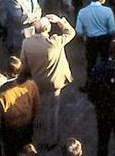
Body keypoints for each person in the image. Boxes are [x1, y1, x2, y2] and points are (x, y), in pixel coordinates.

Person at [20, 15, 76, 150]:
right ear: (48, 29)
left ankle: (31, 133)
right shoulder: (54, 42)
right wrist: (59, 21)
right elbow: (71, 32)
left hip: (37, 80)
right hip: (54, 82)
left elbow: (24, 64)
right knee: (53, 110)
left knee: (35, 107)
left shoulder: (27, 43)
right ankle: (52, 139)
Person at [0, 57, 39, 156]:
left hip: (10, 130)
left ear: (5, 72)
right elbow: (36, 105)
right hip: (27, 126)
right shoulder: (31, 85)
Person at [77, 0, 115, 85]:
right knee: (105, 61)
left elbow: (79, 30)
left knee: (91, 63)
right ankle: (105, 82)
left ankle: (90, 83)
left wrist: (84, 36)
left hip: (90, 40)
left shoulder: (83, 11)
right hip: (104, 39)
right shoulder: (107, 11)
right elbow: (112, 28)